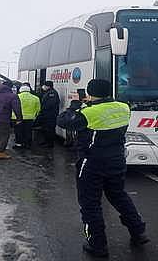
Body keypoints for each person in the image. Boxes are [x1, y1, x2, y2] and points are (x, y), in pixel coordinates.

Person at [57, 79, 149, 258]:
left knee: (90, 204)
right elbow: (105, 112)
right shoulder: (123, 107)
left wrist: (75, 105)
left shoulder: (87, 113)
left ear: (90, 94)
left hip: (92, 163)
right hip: (117, 161)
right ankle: (139, 232)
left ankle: (97, 244)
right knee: (119, 195)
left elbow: (63, 121)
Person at [36, 80, 60, 147]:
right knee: (46, 129)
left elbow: (49, 104)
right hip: (47, 114)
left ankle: (49, 143)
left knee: (50, 129)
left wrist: (42, 109)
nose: (43, 87)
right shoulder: (49, 92)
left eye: (45, 85)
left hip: (50, 115)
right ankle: (46, 141)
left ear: (48, 86)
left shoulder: (52, 93)